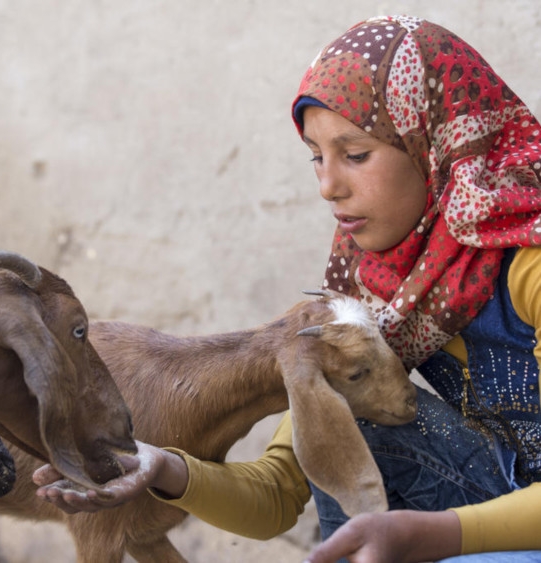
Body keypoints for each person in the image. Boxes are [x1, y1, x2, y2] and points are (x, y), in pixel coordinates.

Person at [33, 15, 541, 563]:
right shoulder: (374, 287)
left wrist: (429, 537)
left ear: (432, 143)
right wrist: (165, 468)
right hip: (498, 504)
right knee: (350, 410)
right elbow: (276, 493)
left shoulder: (527, 266)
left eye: (356, 154)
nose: (328, 185)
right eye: (316, 157)